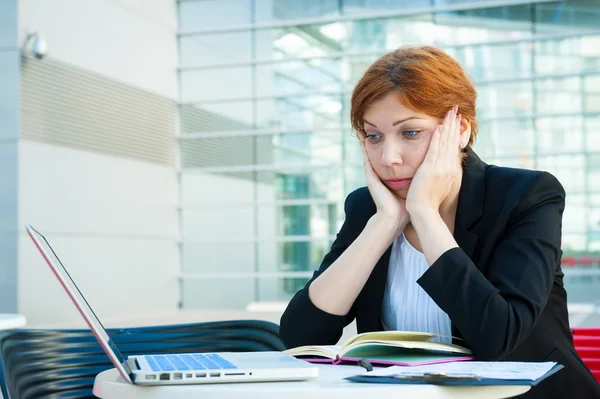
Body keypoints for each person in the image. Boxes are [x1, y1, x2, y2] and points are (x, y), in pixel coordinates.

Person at [279, 46, 600, 398]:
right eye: (374, 136)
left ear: (460, 129)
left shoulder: (526, 196)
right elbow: (301, 339)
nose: (389, 158)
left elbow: (498, 337)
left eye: (410, 133)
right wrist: (384, 224)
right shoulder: (367, 208)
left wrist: (425, 214)